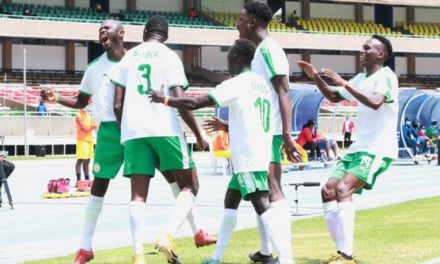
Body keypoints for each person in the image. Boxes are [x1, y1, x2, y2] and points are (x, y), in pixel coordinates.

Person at [150, 38, 294, 264]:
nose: (227, 63)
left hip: (248, 157)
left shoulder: (237, 83)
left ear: (235, 58)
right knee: (231, 200)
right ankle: (216, 258)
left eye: (227, 58)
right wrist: (226, 126)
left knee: (262, 205)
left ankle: (286, 261)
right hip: (257, 154)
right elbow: (252, 118)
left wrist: (165, 99)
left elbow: (195, 103)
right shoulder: (260, 84)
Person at [110, 15, 213, 264]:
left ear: (145, 32)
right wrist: (198, 134)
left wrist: (128, 129)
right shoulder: (169, 57)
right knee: (191, 185)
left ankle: (138, 257)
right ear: (166, 36)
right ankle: (168, 235)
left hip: (134, 132)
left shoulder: (129, 57)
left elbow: (117, 104)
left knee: (138, 196)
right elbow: (179, 100)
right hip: (164, 128)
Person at [298, 34, 398, 264]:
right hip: (358, 147)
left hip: (377, 148)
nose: (362, 51)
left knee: (343, 189)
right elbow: (333, 96)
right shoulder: (361, 77)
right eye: (362, 48)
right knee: (328, 191)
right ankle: (341, 251)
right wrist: (315, 76)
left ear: (381, 54)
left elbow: (375, 102)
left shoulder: (386, 76)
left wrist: (344, 83)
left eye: (367, 48)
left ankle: (347, 255)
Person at [41, 19, 126, 264]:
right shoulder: (94, 67)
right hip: (109, 132)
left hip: (136, 128)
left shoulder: (136, 62)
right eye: (99, 30)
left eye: (106, 28)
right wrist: (56, 96)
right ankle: (85, 248)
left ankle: (194, 230)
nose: (102, 32)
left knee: (169, 175)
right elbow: (81, 101)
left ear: (121, 33)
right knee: (98, 187)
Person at [235, 2, 300, 262]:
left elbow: (284, 89)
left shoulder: (270, 48)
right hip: (262, 132)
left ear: (252, 22)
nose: (236, 24)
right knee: (261, 192)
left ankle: (286, 258)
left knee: (273, 189)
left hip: (270, 131)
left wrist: (286, 134)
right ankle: (265, 252)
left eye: (240, 19)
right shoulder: (260, 50)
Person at [75, 108, 97, 184]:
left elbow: (95, 126)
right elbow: (86, 128)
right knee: (81, 159)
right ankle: (78, 180)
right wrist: (91, 126)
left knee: (87, 160)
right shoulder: (78, 116)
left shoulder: (88, 115)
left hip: (90, 139)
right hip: (82, 140)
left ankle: (87, 179)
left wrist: (90, 126)